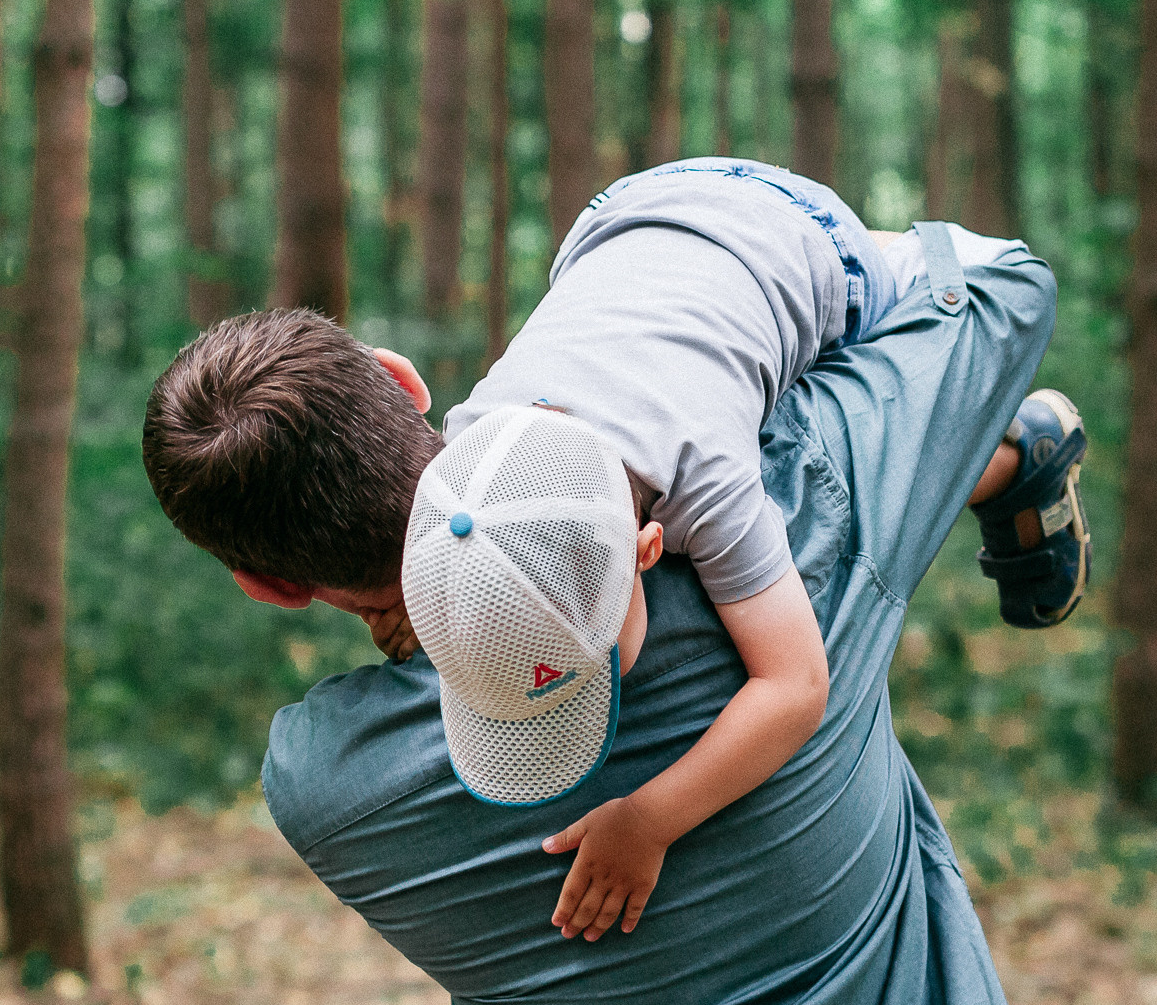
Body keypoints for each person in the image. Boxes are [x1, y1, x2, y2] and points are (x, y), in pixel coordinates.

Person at [144, 221, 1059, 1005]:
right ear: (414, 389)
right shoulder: (803, 521)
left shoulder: (329, 791)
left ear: (269, 585)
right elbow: (1000, 289)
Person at [152, 159, 1089, 944]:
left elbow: (798, 687)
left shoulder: (708, 484)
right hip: (614, 232)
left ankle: (1012, 449)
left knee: (823, 441)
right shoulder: (483, 454)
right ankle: (1013, 458)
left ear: (651, 550)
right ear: (403, 383)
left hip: (798, 244)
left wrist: (650, 819)